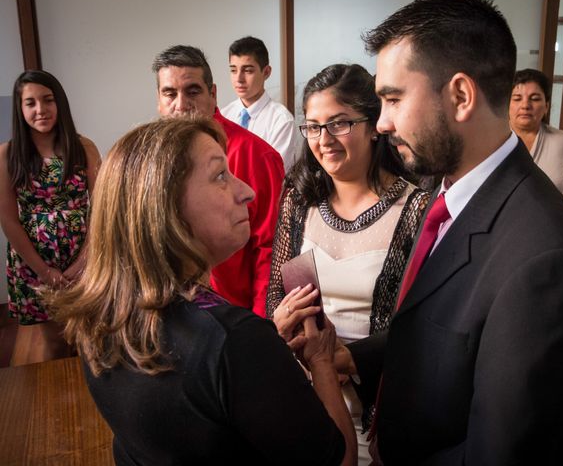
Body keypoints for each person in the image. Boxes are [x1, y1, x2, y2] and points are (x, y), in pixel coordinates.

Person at [330, 0, 563, 464]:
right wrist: (355, 357)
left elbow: (503, 454)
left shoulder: (549, 263)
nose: (381, 124)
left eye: (393, 99)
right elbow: (441, 326)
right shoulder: (444, 192)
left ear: (460, 95)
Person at [51, 117, 357, 465]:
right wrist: (320, 360)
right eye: (220, 176)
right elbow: (340, 459)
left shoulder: (101, 312)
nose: (247, 191)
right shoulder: (235, 341)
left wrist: (265, 352)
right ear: (166, 207)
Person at [266, 63, 429, 464]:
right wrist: (285, 325)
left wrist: (347, 360)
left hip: (376, 394)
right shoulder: (299, 197)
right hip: (303, 381)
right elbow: (276, 288)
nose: (324, 140)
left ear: (374, 125)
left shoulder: (415, 208)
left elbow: (420, 325)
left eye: (339, 124)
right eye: (313, 126)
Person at [152, 45, 284, 317]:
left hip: (234, 315)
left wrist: (262, 324)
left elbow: (270, 248)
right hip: (172, 312)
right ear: (159, 100)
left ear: (212, 94)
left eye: (192, 91)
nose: (181, 105)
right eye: (170, 93)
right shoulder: (152, 159)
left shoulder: (255, 154)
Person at [0, 70, 101, 366]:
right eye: (30, 103)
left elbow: (101, 208)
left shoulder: (84, 147)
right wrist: (46, 272)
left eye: (48, 100)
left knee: (92, 339)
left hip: (85, 256)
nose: (40, 110)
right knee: (54, 344)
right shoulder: (8, 155)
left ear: (60, 104)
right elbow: (8, 220)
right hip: (34, 263)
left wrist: (83, 260)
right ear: (20, 109)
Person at [222, 36, 299, 171]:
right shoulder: (224, 115)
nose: (239, 79)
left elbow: (275, 174)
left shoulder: (281, 121)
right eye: (233, 70)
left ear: (266, 72)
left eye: (248, 70)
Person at [510, 68, 563, 200]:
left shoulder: (562, 142)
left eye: (535, 99)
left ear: (546, 106)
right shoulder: (494, 141)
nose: (525, 105)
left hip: (553, 219)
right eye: (517, 98)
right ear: (507, 104)